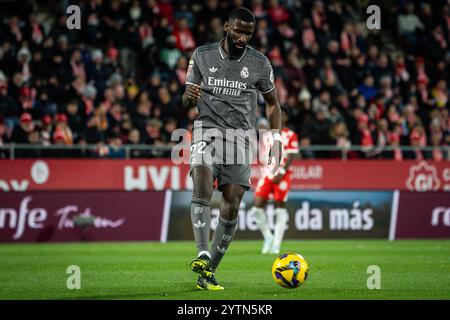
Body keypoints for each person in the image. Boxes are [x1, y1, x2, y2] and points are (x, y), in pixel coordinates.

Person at [181, 7, 282, 290]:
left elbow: (273, 104)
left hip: (240, 138)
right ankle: (202, 252)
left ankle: (208, 270)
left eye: (248, 33)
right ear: (226, 27)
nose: (242, 37)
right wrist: (187, 97)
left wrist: (277, 140)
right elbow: (186, 102)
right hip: (206, 129)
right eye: (238, 31)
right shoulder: (202, 54)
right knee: (201, 179)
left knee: (233, 203)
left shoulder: (260, 63)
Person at [252, 108, 299, 254]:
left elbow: (291, 156)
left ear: (285, 117)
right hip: (268, 174)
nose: (278, 117)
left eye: (281, 114)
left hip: (283, 175)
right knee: (257, 207)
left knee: (280, 209)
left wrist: (282, 171)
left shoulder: (290, 135)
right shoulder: (267, 135)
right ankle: (268, 236)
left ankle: (277, 245)